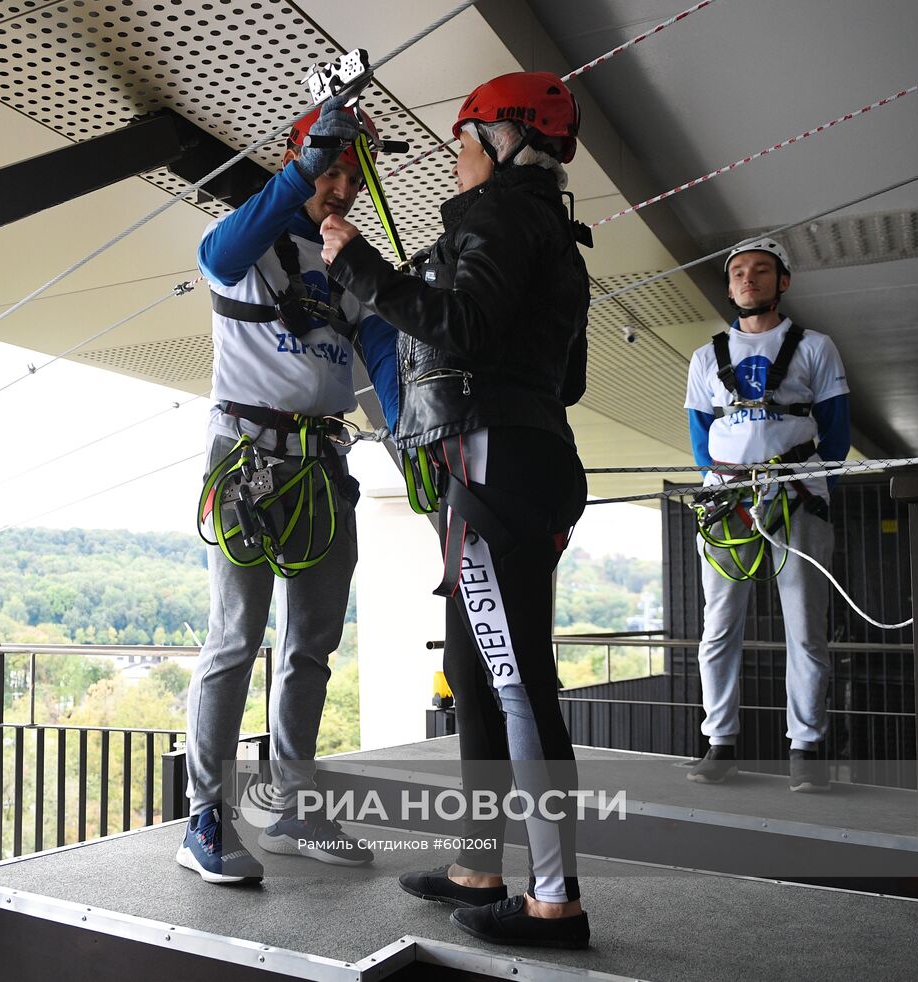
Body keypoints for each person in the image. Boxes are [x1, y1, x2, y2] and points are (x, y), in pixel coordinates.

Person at [320, 71, 592, 949]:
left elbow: (464, 330)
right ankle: (481, 863)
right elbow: (570, 377)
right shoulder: (554, 233)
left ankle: (555, 902)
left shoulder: (498, 216)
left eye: (467, 137)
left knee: (517, 684)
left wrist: (359, 265)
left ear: (507, 139)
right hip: (522, 457)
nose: (458, 154)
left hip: (489, 464)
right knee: (478, 674)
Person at [176, 97, 400, 884]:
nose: (340, 187)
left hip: (322, 465)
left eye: (349, 175)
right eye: (330, 171)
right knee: (236, 638)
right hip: (246, 455)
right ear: (302, 163)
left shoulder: (350, 266)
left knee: (310, 646)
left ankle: (294, 804)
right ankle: (206, 814)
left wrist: (412, 439)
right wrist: (304, 164)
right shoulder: (248, 245)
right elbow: (222, 246)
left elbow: (385, 361)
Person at [683, 237, 850, 792]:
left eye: (760, 271)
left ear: (784, 282)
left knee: (804, 629)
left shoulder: (816, 348)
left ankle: (806, 749)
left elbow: (838, 430)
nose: (747, 279)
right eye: (737, 273)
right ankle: (720, 744)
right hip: (728, 501)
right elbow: (700, 440)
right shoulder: (706, 357)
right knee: (719, 627)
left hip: (796, 496)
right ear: (729, 287)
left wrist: (803, 483)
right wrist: (731, 482)